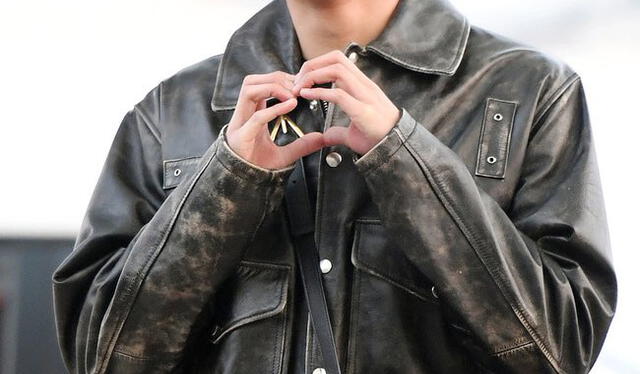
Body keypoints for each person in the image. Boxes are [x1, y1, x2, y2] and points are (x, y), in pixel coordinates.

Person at [52, 0, 617, 373]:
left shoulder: (531, 90)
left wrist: (403, 156)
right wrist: (228, 178)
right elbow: (102, 359)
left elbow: (557, 349)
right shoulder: (172, 110)